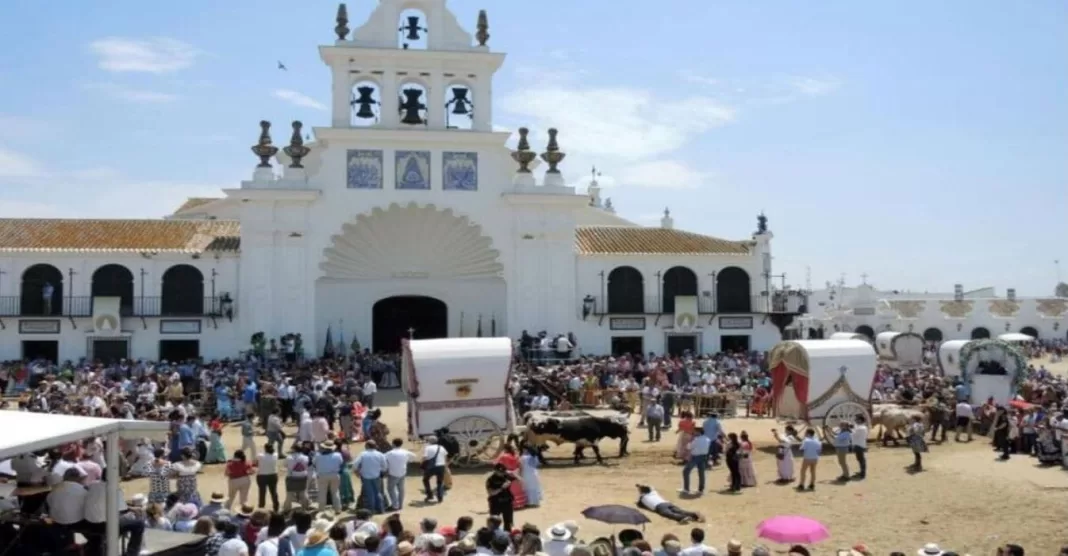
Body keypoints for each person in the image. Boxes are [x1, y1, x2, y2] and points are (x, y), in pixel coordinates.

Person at [635, 484, 702, 524]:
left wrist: (640, 489)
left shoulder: (643, 497)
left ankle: (682, 518)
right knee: (679, 510)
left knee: (669, 514)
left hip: (659, 506)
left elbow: (639, 504)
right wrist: (640, 486)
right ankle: (694, 515)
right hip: (666, 503)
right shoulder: (654, 492)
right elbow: (649, 488)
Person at [354, 440, 387, 514]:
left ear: (366, 446)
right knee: (378, 493)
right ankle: (381, 509)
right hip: (376, 476)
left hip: (366, 476)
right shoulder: (380, 454)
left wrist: (357, 472)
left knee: (370, 493)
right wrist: (381, 471)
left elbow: (355, 465)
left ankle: (371, 510)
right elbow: (385, 466)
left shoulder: (362, 454)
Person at [484, 463, 519, 531]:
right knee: (493, 523)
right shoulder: (490, 480)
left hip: (507, 502)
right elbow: (491, 493)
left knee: (508, 523)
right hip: (496, 503)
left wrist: (513, 474)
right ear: (495, 471)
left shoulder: (506, 476)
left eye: (503, 471)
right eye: (500, 472)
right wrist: (502, 488)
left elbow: (520, 481)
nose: (502, 473)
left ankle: (507, 536)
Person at [384, 438, 417, 511]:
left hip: (393, 473)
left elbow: (383, 459)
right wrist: (407, 461)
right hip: (402, 473)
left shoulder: (390, 453)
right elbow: (414, 456)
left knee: (391, 489)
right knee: (401, 489)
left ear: (393, 444)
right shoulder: (405, 452)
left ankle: (395, 505)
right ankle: (400, 505)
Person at [494, 445, 527, 510]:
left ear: (505, 449)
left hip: (507, 474)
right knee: (516, 489)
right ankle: (519, 504)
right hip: (515, 474)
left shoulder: (504, 456)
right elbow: (519, 465)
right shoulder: (516, 456)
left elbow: (496, 463)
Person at [680, 427, 709, 494]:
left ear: (699, 432)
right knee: (701, 473)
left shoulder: (696, 440)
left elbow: (688, 447)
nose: (694, 433)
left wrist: (691, 440)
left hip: (696, 457)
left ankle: (686, 489)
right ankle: (700, 490)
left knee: (686, 471)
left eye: (695, 432)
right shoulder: (707, 439)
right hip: (704, 457)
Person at [421, 436, 448, 504]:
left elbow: (425, 457)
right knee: (440, 482)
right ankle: (440, 497)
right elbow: (445, 456)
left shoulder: (428, 448)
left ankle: (429, 495)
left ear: (429, 442)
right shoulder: (441, 447)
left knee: (425, 480)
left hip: (432, 467)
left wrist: (422, 464)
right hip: (441, 466)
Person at [256, 443, 280, 512]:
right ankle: (276, 507)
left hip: (262, 476)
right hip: (273, 475)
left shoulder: (260, 455)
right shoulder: (275, 455)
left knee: (262, 492)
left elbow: (256, 463)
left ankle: (261, 507)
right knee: (274, 492)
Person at [852, 415, 869, 480]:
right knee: (860, 459)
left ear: (860, 420)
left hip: (859, 445)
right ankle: (861, 472)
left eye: (857, 419)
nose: (856, 420)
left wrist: (850, 429)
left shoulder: (862, 428)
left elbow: (854, 434)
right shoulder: (860, 427)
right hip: (858, 444)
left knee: (861, 460)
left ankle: (863, 473)